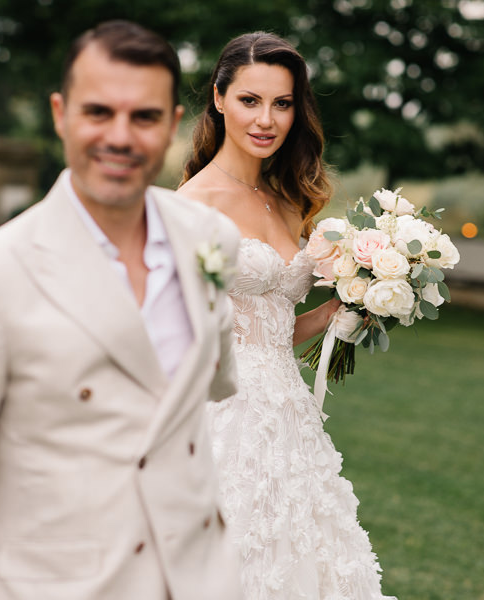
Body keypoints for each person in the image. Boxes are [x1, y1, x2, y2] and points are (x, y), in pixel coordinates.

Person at [0, 21, 243, 600]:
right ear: (59, 113)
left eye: (144, 117)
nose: (120, 137)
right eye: (98, 112)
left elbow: (216, 380)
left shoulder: (209, 238)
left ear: (173, 123)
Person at [179, 32, 396, 599]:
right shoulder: (192, 207)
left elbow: (270, 332)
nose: (266, 119)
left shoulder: (291, 198)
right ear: (219, 99)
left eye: (282, 103)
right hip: (222, 415)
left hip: (291, 418)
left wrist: (344, 307)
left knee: (304, 560)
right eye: (250, 100)